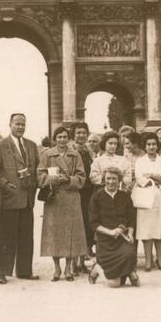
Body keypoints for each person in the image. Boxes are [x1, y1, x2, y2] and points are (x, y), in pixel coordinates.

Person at [0, 114, 40, 284]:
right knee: (5, 236)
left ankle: (24, 271)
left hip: (27, 198)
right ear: (10, 124)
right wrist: (5, 185)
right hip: (9, 198)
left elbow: (37, 168)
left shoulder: (32, 145)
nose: (20, 127)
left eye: (23, 124)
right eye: (17, 124)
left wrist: (35, 184)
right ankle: (1, 272)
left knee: (26, 236)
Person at [38, 126, 88, 281]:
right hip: (54, 198)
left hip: (71, 197)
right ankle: (57, 268)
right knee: (55, 234)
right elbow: (39, 175)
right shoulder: (47, 155)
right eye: (59, 137)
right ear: (55, 139)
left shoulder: (75, 155)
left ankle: (68, 269)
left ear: (69, 138)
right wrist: (52, 179)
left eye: (65, 137)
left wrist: (68, 179)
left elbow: (82, 177)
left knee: (70, 233)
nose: (62, 140)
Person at [87, 167, 140, 287]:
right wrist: (110, 232)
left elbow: (132, 219)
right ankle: (97, 268)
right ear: (104, 179)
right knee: (114, 284)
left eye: (114, 179)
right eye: (108, 178)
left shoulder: (125, 196)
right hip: (105, 241)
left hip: (122, 238)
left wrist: (130, 233)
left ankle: (129, 271)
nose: (111, 182)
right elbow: (93, 223)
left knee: (129, 253)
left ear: (119, 180)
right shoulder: (96, 197)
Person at [133, 132, 161, 270]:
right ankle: (148, 260)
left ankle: (160, 259)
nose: (151, 147)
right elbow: (140, 178)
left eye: (154, 144)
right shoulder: (140, 161)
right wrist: (157, 178)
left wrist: (151, 175)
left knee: (159, 227)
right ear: (144, 146)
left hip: (160, 197)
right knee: (146, 228)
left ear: (157, 145)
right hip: (145, 197)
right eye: (148, 144)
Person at [71, 122, 95, 270]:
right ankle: (74, 263)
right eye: (78, 133)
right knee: (75, 226)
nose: (81, 135)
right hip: (75, 191)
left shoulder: (89, 152)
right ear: (73, 135)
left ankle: (82, 261)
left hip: (89, 192)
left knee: (86, 225)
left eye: (84, 133)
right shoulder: (70, 151)